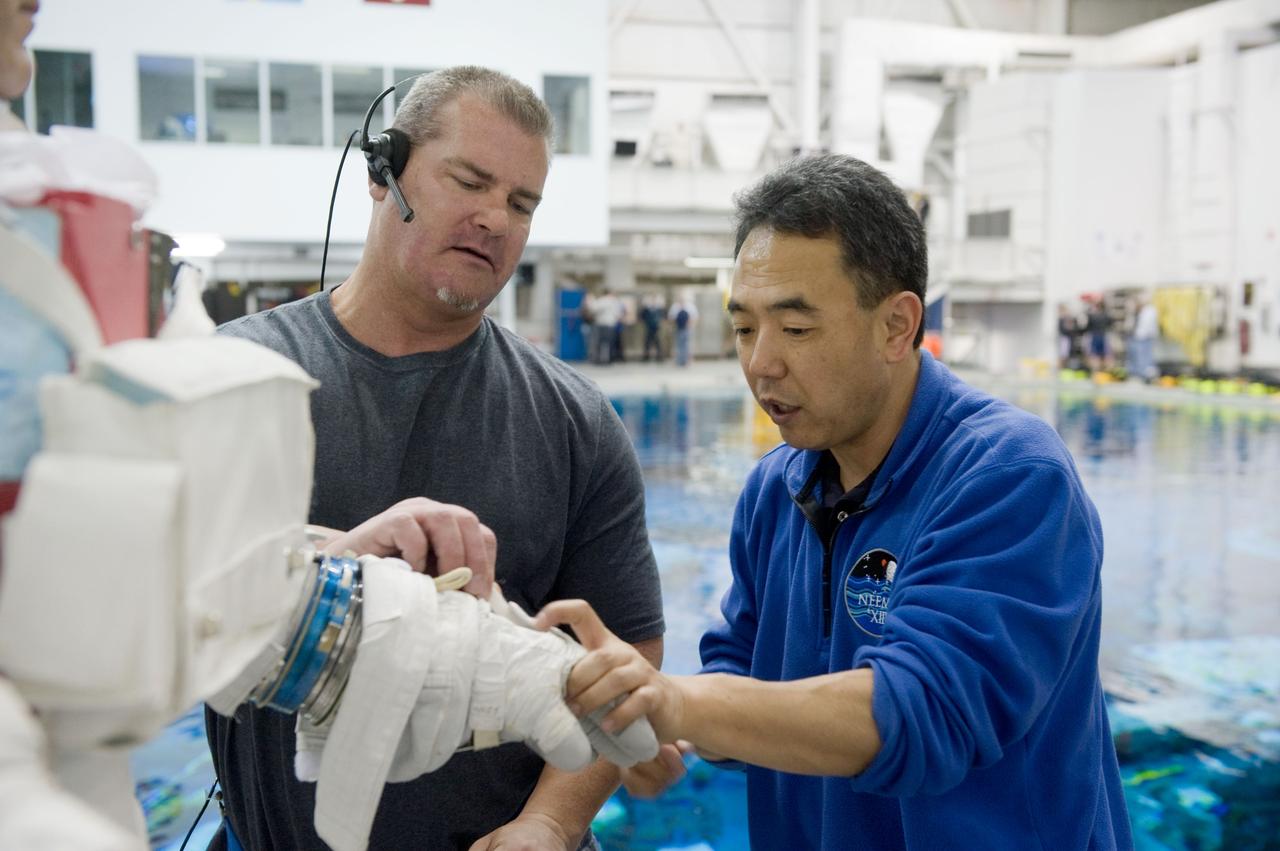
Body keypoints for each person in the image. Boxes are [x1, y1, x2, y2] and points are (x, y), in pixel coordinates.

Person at [540, 153, 1132, 850]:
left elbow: (924, 711)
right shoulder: (775, 487)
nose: (761, 362)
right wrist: (661, 726)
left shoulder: (1009, 475)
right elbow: (741, 664)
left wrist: (683, 701)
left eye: (795, 329)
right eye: (743, 327)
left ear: (896, 325)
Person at [209, 66, 665, 851]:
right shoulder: (237, 381)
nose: (495, 217)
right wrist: (335, 564)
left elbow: (624, 653)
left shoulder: (576, 421)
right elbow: (156, 612)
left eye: (522, 204)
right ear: (382, 171)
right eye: (470, 181)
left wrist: (549, 822)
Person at [1128, 295, 1158, 382]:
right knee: (1136, 356)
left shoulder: (1150, 311)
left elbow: (1147, 326)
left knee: (1144, 357)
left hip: (1144, 337)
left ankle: (1145, 375)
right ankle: (1137, 374)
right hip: (1137, 336)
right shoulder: (1137, 311)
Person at [668, 293, 698, 366]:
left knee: (686, 345)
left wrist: (690, 324)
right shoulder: (675, 307)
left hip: (687, 329)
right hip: (678, 328)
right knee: (678, 345)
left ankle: (686, 361)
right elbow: (671, 318)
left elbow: (695, 317)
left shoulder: (690, 306)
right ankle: (678, 361)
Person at [639, 294, 664, 361]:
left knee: (657, 342)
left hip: (656, 328)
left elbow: (662, 317)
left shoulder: (659, 309)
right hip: (648, 327)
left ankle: (659, 356)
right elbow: (642, 317)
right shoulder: (646, 309)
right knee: (647, 342)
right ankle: (646, 356)